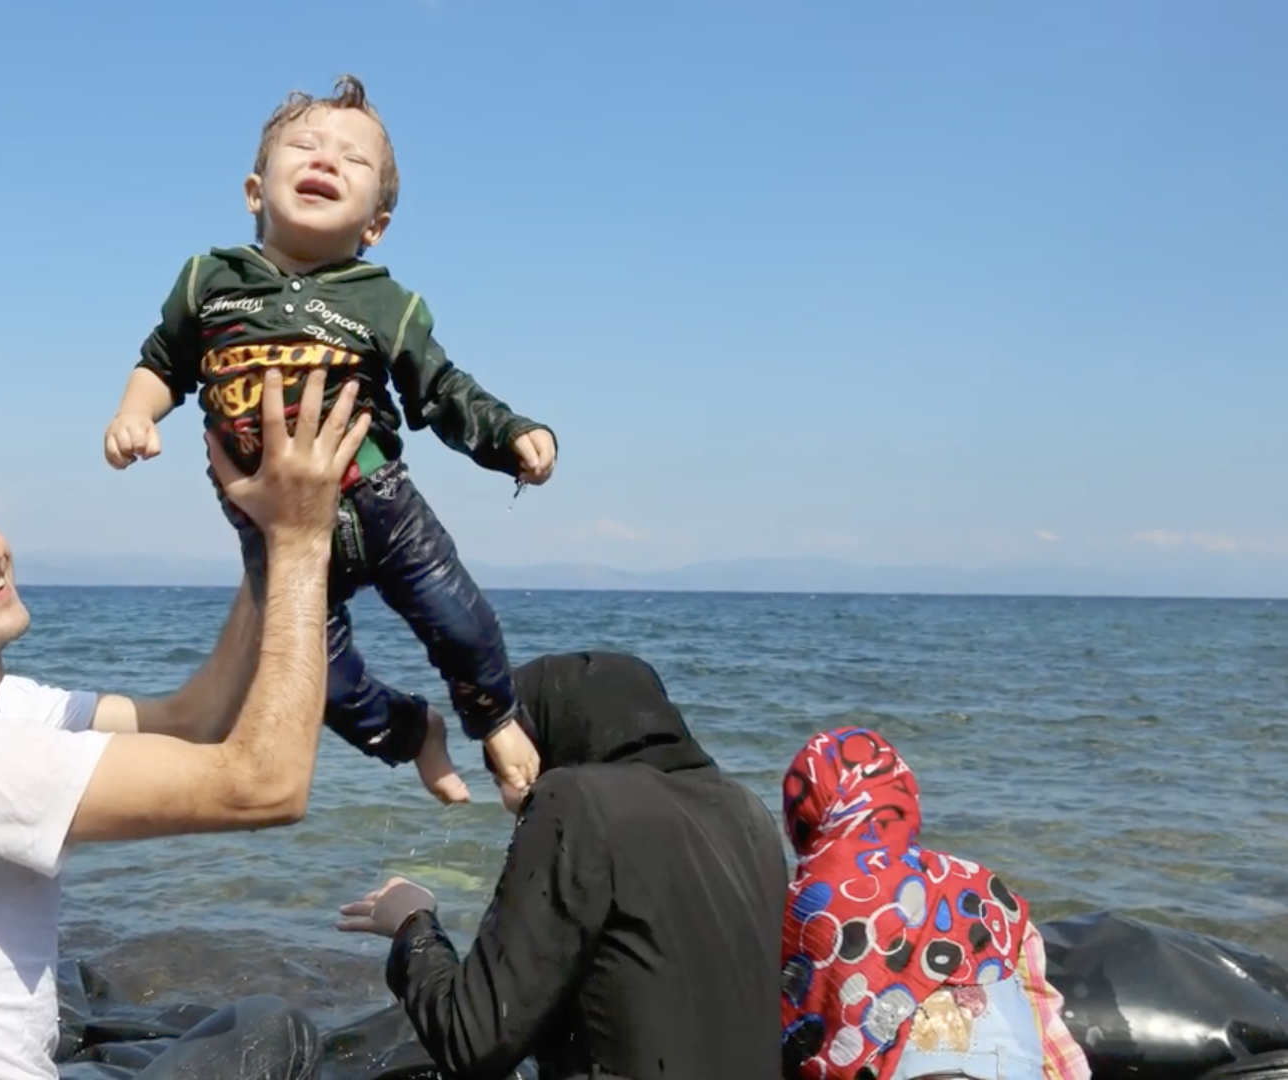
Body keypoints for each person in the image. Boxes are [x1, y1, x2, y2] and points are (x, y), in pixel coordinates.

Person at [0, 370, 362, 1080]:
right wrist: (304, 542)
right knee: (273, 1032)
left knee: (245, 1030)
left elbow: (192, 723)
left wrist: (263, 542)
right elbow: (265, 787)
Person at [102, 74, 555, 809]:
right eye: (306, 146)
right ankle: (412, 732)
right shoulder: (208, 280)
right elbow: (162, 363)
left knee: (458, 621)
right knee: (319, 684)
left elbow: (441, 390)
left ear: (375, 224)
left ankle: (498, 722)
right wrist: (134, 413)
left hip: (379, 501)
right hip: (270, 526)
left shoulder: (384, 300)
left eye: (353, 158)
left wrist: (509, 435)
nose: (325, 160)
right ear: (255, 191)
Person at [336, 651, 789, 1080]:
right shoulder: (747, 811)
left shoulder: (578, 800)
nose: (515, 798)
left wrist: (412, 925)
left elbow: (473, 1039)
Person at [779, 727, 1090, 1080]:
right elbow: (1049, 1036)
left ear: (802, 814)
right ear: (903, 796)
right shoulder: (984, 890)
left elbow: (792, 1040)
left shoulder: (801, 910)